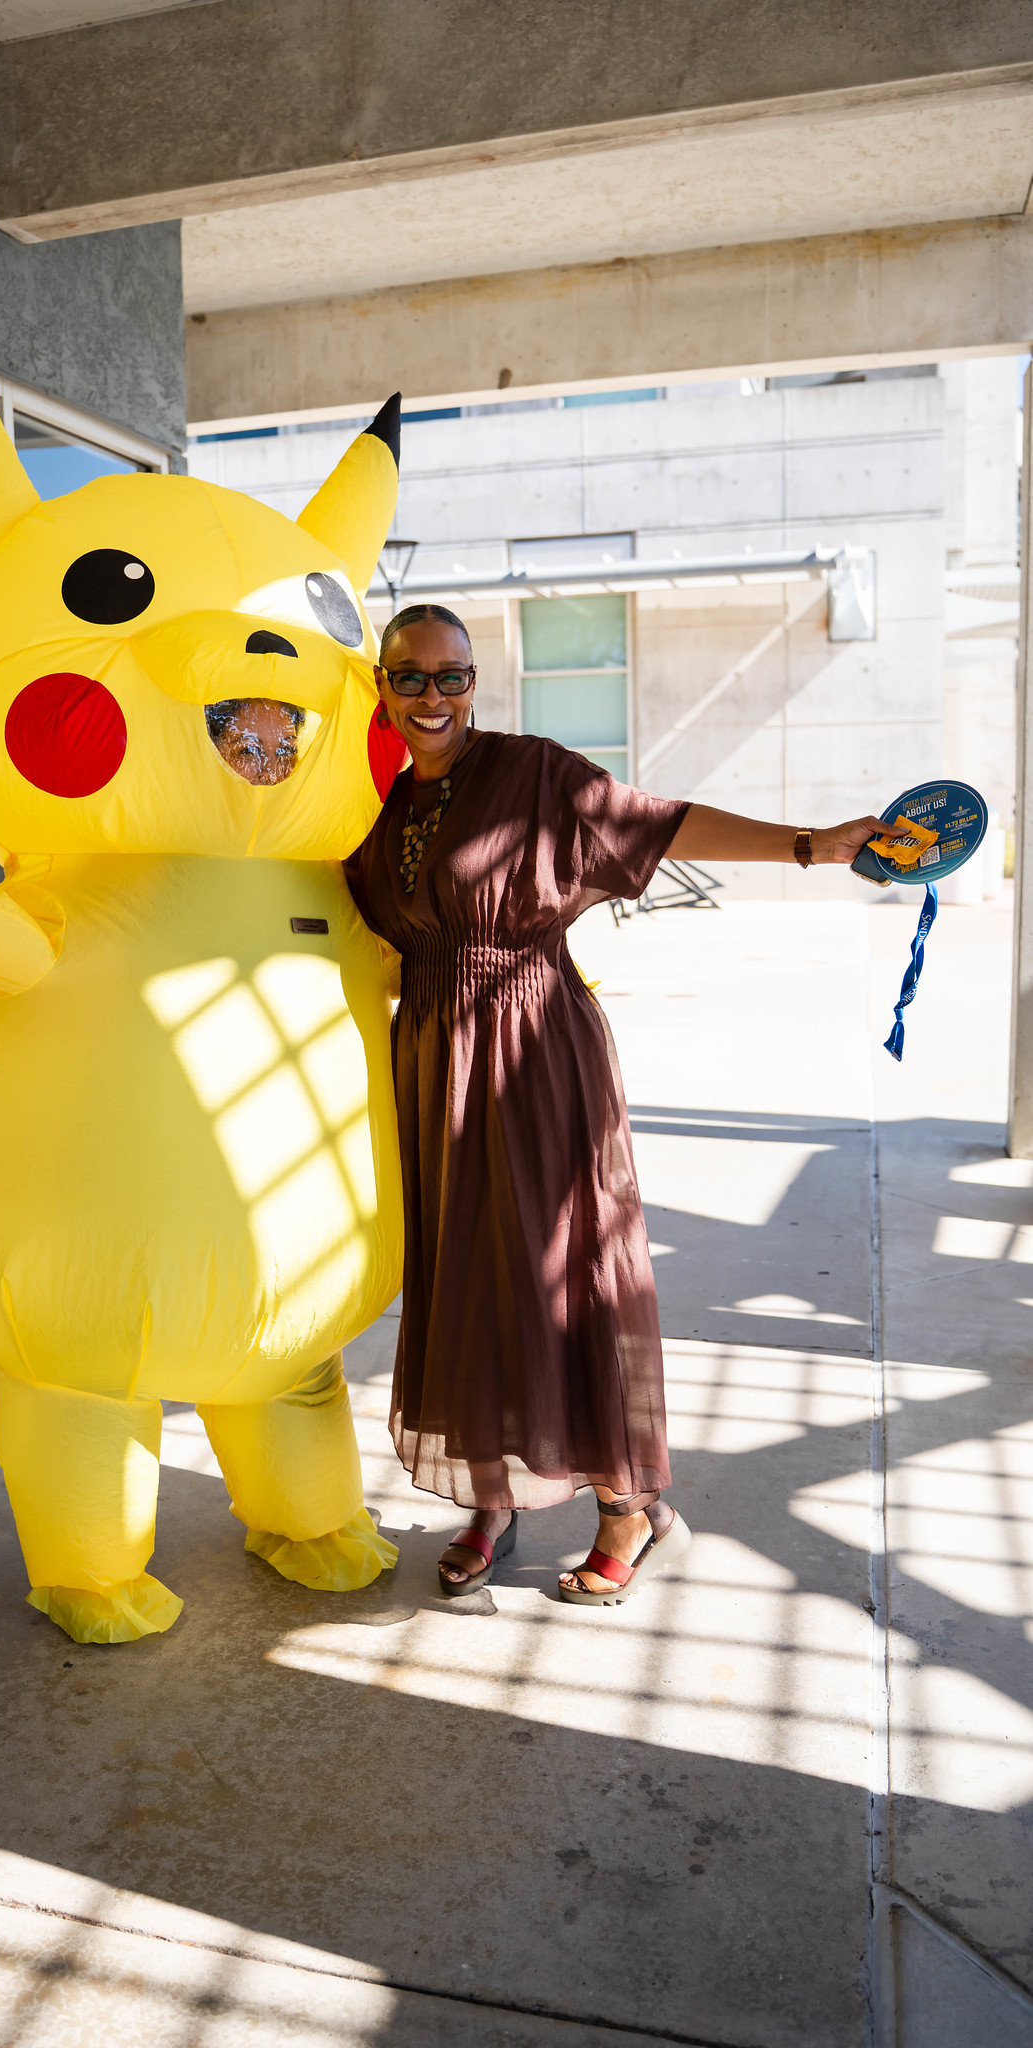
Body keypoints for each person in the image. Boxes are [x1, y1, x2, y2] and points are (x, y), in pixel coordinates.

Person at [342, 603, 904, 1604]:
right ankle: (494, 1493)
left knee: (569, 1273)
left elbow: (663, 821)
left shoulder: (534, 774)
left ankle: (628, 1508)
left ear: (477, 681)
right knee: (466, 1273)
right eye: (410, 676)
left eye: (453, 674)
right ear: (379, 686)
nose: (434, 696)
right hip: (433, 1060)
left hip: (534, 1048)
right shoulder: (379, 808)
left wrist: (815, 844)